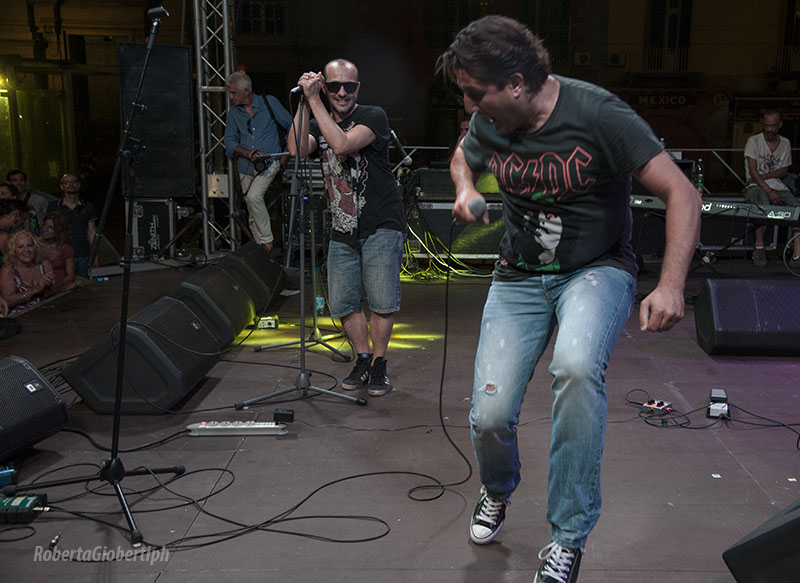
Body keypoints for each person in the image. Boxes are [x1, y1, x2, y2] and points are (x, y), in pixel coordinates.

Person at [437, 16, 701, 583]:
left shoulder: (597, 113)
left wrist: (672, 283)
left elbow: (681, 191)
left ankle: (568, 536)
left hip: (596, 268)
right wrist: (464, 187)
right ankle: (497, 488)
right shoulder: (489, 121)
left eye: (474, 92)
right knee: (489, 415)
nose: (469, 105)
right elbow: (464, 154)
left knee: (577, 369)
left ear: (515, 83)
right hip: (518, 276)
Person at [288, 59, 406, 397]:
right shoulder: (318, 119)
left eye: (349, 87)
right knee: (343, 301)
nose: (342, 93)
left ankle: (379, 364)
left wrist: (315, 102)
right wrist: (304, 104)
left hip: (381, 222)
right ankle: (362, 358)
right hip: (343, 226)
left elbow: (341, 145)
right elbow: (296, 149)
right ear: (325, 87)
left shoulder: (373, 116)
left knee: (381, 300)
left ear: (358, 89)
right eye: (334, 86)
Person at [224, 71, 293, 252]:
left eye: (233, 93)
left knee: (254, 197)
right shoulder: (233, 113)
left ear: (246, 91)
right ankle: (260, 251)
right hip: (246, 165)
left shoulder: (269, 103)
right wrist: (247, 153)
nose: (230, 97)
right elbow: (229, 142)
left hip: (270, 162)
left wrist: (286, 152)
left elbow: (291, 125)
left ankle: (267, 243)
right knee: (251, 207)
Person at [743, 110, 800, 267]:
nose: (769, 129)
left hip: (776, 184)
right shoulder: (753, 141)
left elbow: (784, 170)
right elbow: (753, 171)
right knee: (763, 203)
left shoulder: (785, 143)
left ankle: (797, 254)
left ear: (779, 125)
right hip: (756, 186)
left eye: (773, 126)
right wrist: (768, 190)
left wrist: (766, 177)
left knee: (797, 209)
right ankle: (759, 247)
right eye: (766, 126)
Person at [46, 173, 97, 278]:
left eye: (74, 182)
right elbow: (49, 231)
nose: (71, 184)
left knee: (84, 286)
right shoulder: (53, 206)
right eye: (67, 182)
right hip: (61, 255)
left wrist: (95, 256)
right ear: (61, 187)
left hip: (83, 253)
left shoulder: (88, 206)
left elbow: (91, 232)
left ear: (79, 185)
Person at [0, 230, 55, 313]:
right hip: (20, 315)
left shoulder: (44, 265)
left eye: (30, 245)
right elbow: (8, 301)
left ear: (35, 247)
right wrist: (35, 290)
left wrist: (48, 286)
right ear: (13, 250)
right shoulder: (8, 270)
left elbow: (55, 293)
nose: (26, 250)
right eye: (20, 247)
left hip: (45, 311)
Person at [40, 211, 77, 291]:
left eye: (51, 227)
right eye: (45, 226)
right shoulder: (35, 245)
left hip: (59, 286)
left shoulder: (66, 248)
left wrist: (57, 285)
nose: (45, 230)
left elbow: (71, 275)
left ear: (59, 230)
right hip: (39, 285)